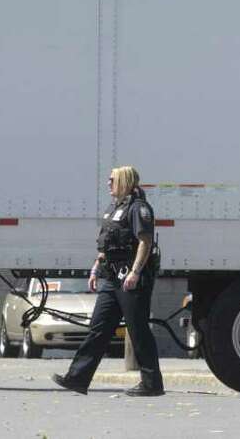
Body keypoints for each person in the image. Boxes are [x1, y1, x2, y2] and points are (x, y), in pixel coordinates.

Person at [52, 166, 165, 396]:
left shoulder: (138, 208)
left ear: (124, 181)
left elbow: (145, 242)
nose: (108, 184)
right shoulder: (114, 209)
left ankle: (152, 384)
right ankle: (77, 378)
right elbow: (107, 243)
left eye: (112, 180)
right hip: (111, 278)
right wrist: (95, 268)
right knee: (98, 328)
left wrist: (135, 272)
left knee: (138, 330)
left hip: (130, 279)